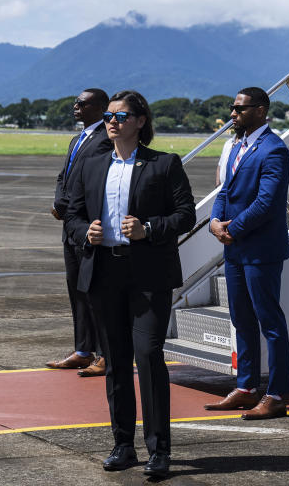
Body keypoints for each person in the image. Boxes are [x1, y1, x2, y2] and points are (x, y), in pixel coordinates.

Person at [65, 90, 195, 478]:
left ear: (140, 121)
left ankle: (159, 450)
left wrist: (149, 228)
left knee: (149, 356)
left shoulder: (164, 164)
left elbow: (185, 214)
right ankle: (123, 444)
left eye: (120, 116)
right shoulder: (92, 164)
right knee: (116, 362)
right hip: (104, 272)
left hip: (148, 276)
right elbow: (72, 214)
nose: (112, 121)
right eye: (108, 116)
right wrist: (82, 232)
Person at [205, 87, 289, 420]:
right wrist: (214, 221)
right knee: (241, 319)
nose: (233, 114)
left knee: (270, 322)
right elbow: (224, 190)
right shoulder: (239, 146)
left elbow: (267, 203)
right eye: (233, 107)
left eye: (239, 109)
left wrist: (232, 228)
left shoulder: (274, 150)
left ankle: (277, 393)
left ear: (260, 111)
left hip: (260, 250)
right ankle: (245, 388)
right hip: (235, 249)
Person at [48, 88, 112, 377]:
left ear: (99, 108)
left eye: (82, 103)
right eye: (75, 102)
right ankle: (83, 349)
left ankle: (105, 354)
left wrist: (73, 209)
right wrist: (58, 204)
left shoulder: (104, 140)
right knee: (76, 290)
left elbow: (94, 182)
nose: (75, 106)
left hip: (87, 225)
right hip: (69, 224)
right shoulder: (78, 139)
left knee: (95, 292)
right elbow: (64, 176)